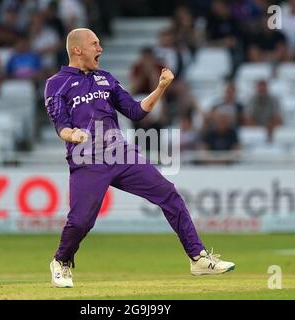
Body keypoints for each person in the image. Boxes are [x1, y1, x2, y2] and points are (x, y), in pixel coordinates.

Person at [44, 28, 235, 288]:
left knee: (168, 193)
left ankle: (198, 258)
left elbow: (135, 112)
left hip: (120, 154)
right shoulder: (56, 83)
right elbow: (60, 124)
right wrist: (72, 135)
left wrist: (161, 87)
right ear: (77, 49)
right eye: (94, 44)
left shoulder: (106, 79)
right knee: (80, 221)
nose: (100, 49)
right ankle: (61, 261)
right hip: (87, 158)